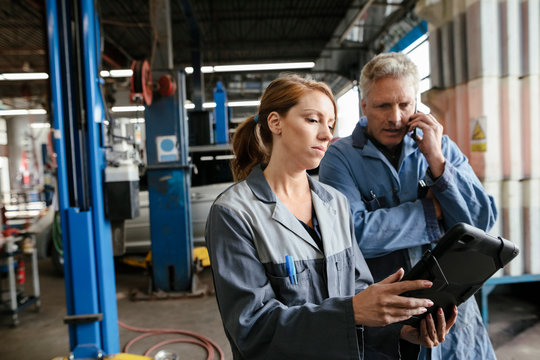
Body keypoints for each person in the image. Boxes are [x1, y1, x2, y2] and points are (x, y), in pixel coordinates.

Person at [205, 74, 457, 359]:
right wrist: (350, 312)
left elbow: (357, 290)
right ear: (276, 123)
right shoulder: (235, 213)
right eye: (313, 120)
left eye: (330, 124)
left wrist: (399, 329)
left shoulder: (333, 203)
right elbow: (252, 327)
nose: (326, 134)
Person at [319, 52, 497, 359]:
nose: (396, 117)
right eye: (383, 105)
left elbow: (480, 223)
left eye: (405, 104)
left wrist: (437, 162)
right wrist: (434, 213)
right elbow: (352, 236)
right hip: (387, 323)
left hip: (452, 316)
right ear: (364, 105)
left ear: (416, 103)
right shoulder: (340, 159)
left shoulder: (440, 147)